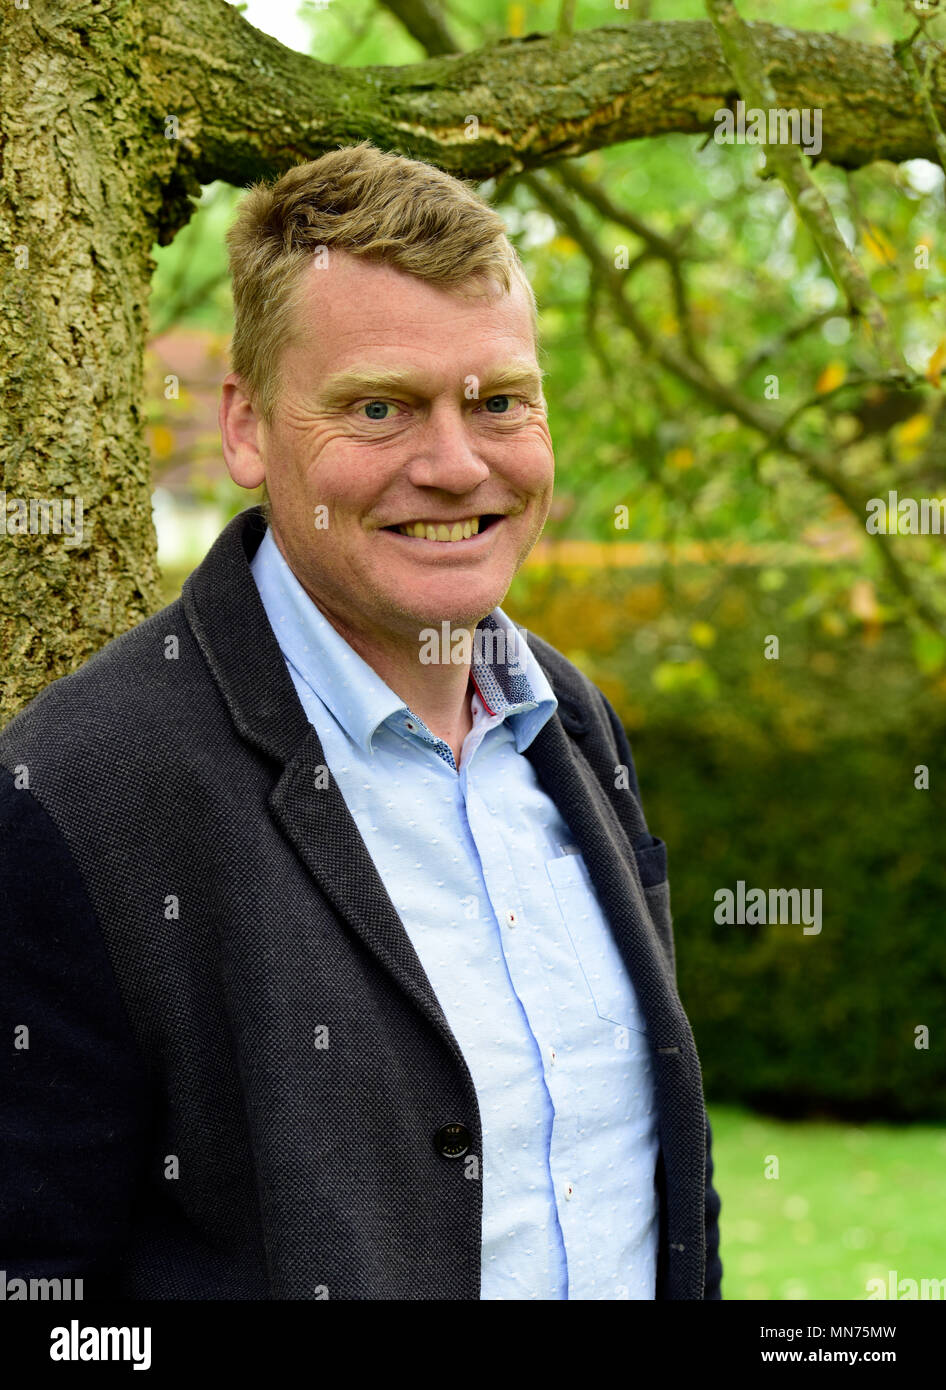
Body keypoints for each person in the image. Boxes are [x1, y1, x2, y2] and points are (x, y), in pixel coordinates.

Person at [0, 142, 721, 1300]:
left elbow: (658, 1179)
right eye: (378, 406)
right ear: (244, 428)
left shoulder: (573, 725)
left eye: (498, 402)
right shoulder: (80, 796)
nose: (454, 462)